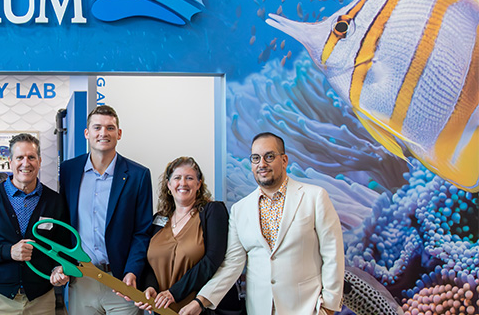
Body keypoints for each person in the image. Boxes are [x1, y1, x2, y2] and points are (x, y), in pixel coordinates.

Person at [179, 132, 344, 315]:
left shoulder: (315, 197)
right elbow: (233, 264)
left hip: (307, 308)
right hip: (259, 309)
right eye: (255, 158)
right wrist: (200, 302)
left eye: (269, 156)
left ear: (284, 160)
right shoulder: (240, 210)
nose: (262, 164)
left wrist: (329, 306)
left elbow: (332, 253)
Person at [52, 105, 153, 314]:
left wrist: (133, 270)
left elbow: (142, 231)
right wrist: (62, 264)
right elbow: (63, 225)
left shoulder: (138, 175)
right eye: (97, 127)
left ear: (119, 133)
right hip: (83, 278)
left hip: (122, 282)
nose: (103, 133)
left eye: (110, 128)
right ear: (87, 133)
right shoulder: (69, 171)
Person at [0, 133, 69, 314]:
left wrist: (61, 268)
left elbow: (65, 247)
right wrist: (8, 251)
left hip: (41, 300)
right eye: (20, 157)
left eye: (31, 157)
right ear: (10, 162)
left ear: (40, 161)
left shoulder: (55, 201)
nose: (25, 163)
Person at [126, 157, 242, 314]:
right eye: (177, 178)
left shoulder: (213, 211)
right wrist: (151, 287)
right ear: (168, 185)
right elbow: (150, 263)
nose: (183, 183)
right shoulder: (158, 220)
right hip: (164, 308)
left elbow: (213, 260)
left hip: (201, 308)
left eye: (189, 178)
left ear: (198, 184)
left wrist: (174, 293)